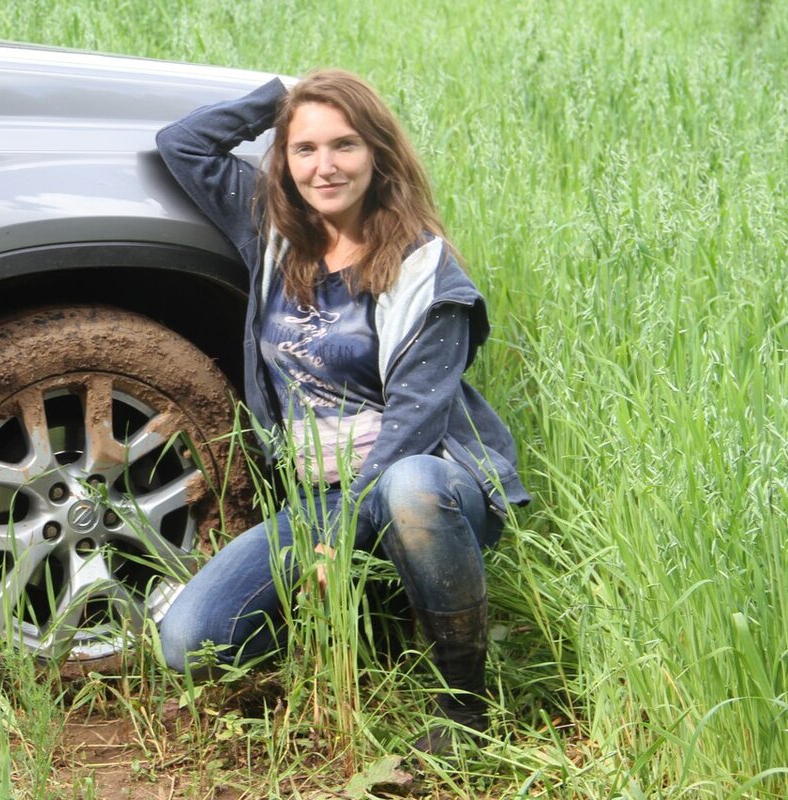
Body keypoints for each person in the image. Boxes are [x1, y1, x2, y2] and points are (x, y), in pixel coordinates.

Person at [154, 70, 530, 754]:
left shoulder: (425, 268)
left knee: (410, 487)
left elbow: (415, 421)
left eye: (345, 145)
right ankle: (364, 632)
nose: (324, 166)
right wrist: (284, 96)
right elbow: (182, 144)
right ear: (285, 160)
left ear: (378, 154)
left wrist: (340, 533)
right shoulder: (271, 230)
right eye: (305, 149)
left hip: (428, 484)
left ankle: (464, 705)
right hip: (323, 499)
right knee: (191, 643)